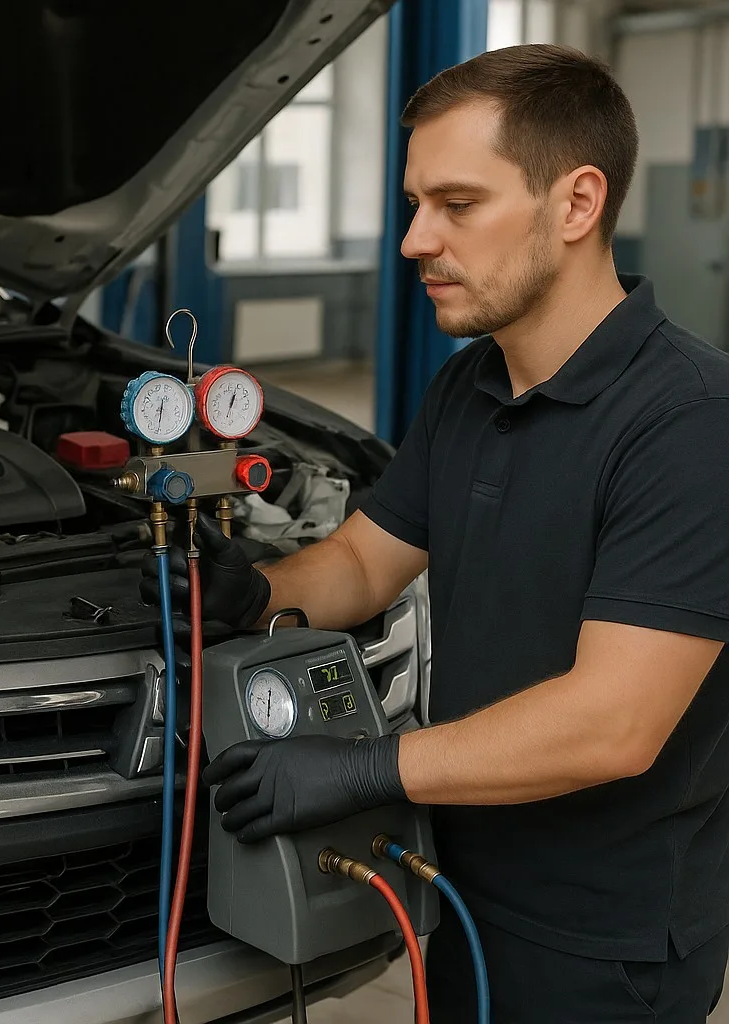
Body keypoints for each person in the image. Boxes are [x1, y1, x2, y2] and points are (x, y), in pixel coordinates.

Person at [150, 43, 729, 1022]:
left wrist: (362, 767)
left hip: (605, 947)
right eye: (416, 203)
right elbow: (366, 558)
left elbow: (615, 722)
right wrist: (259, 590)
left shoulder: (690, 420)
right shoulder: (472, 382)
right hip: (456, 884)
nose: (416, 239)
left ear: (577, 204)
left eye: (457, 206)